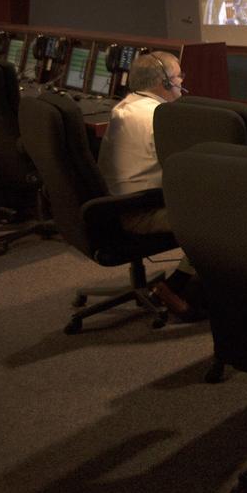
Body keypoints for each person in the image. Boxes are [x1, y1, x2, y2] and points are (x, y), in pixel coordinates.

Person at [97, 51, 198, 317]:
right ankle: (179, 288)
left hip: (116, 207)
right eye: (178, 77)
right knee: (215, 216)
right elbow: (190, 169)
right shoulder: (158, 118)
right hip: (140, 213)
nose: (181, 82)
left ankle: (180, 283)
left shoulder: (125, 107)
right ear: (163, 83)